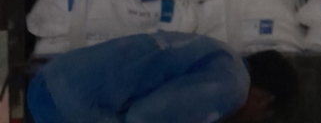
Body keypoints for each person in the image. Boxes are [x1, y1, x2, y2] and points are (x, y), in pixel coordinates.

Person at [27, 32, 299, 123]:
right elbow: (144, 118)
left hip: (52, 80)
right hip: (67, 107)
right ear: (265, 100)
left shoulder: (222, 55)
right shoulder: (233, 85)